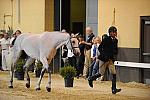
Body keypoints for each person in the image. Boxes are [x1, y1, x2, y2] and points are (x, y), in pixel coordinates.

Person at [88, 26, 121, 94]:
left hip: (110, 60)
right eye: (114, 32)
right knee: (101, 73)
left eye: (115, 32)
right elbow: (100, 48)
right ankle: (90, 78)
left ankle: (113, 89)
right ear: (110, 33)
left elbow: (115, 49)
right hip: (103, 59)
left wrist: (114, 52)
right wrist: (105, 55)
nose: (115, 33)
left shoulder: (116, 40)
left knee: (114, 73)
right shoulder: (106, 39)